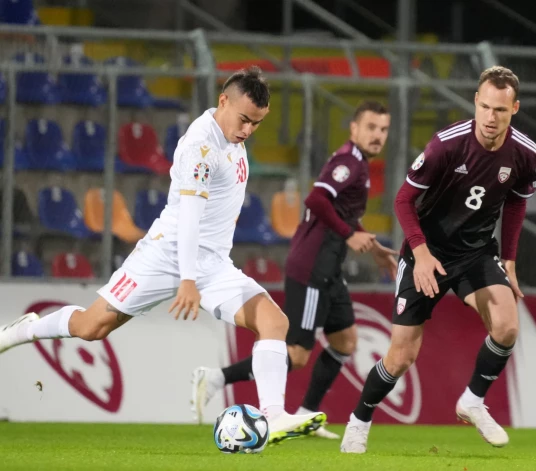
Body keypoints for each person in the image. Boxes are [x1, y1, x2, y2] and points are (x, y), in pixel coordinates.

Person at [0, 66, 326, 444]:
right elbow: (188, 219)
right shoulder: (199, 147)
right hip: (166, 255)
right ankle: (23, 329)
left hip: (214, 264)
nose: (249, 130)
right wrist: (187, 279)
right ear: (223, 101)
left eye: (257, 123)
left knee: (274, 323)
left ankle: (273, 417)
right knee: (92, 327)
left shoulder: (233, 140)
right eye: (245, 119)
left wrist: (204, 266)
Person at [340, 66, 536, 453]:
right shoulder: (447, 145)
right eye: (483, 107)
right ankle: (359, 420)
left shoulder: (525, 153)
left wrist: (510, 261)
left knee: (507, 325)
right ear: (475, 104)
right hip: (426, 251)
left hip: (477, 251)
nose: (490, 117)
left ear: (514, 108)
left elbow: (516, 202)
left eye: (499, 109)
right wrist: (420, 253)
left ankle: (473, 401)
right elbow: (402, 200)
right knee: (401, 356)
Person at [191, 101, 398, 439]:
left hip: (330, 269)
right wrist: (350, 234)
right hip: (313, 266)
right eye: (371, 127)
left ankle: (305, 416)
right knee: (297, 355)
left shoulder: (358, 163)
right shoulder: (348, 162)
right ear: (354, 129)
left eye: (383, 130)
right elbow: (316, 199)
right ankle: (216, 377)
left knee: (345, 341)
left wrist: (371, 247)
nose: (378, 135)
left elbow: (342, 211)